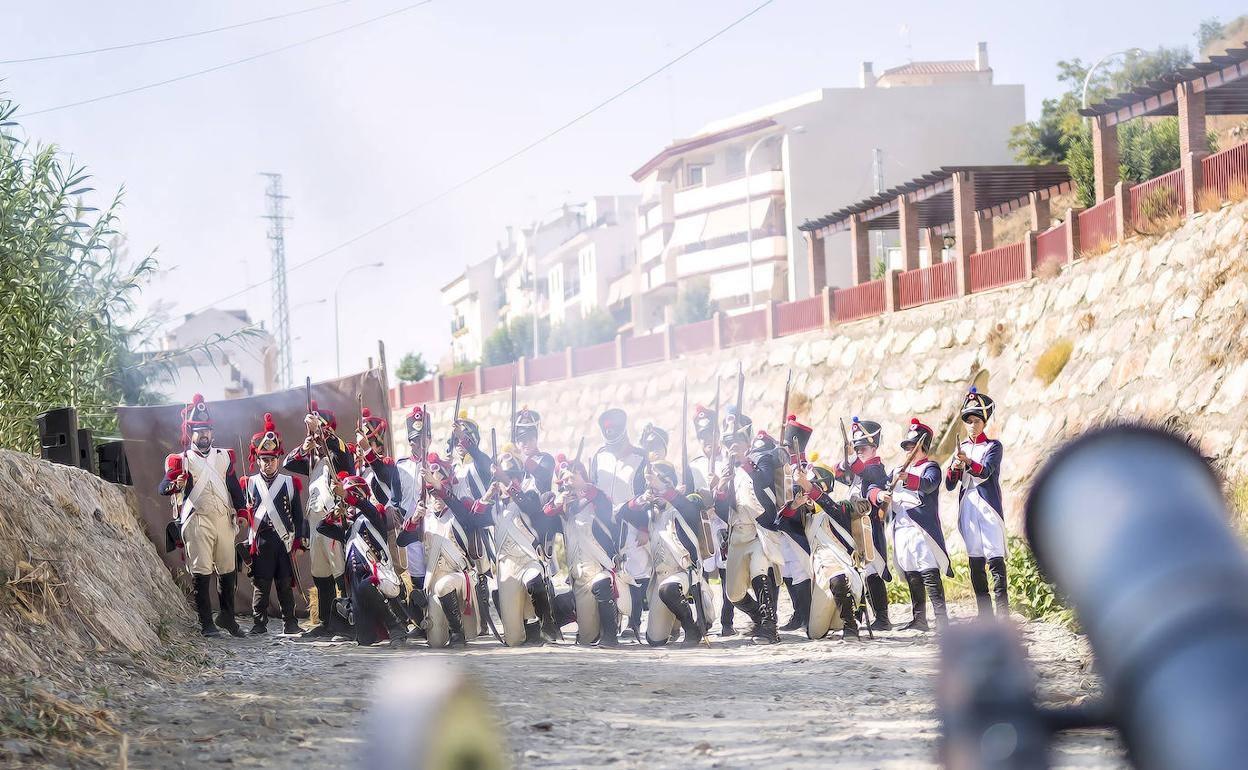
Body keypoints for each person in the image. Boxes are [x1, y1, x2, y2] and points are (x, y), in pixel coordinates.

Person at [158, 394, 249, 638]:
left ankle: (227, 618)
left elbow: (234, 487)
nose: (204, 435)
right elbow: (164, 487)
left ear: (213, 433)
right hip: (197, 521)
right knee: (201, 572)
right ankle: (206, 623)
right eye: (199, 431)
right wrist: (175, 484)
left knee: (228, 569)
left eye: (207, 430)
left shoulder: (224, 456)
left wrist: (241, 512)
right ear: (192, 434)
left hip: (223, 519)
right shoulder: (181, 460)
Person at [283, 400, 356, 638]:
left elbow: (346, 460)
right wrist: (305, 446)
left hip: (334, 519)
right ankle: (326, 622)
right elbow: (288, 462)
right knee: (320, 571)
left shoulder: (341, 453)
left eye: (321, 430)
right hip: (315, 522)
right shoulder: (313, 459)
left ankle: (347, 623)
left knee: (339, 571)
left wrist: (321, 432)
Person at [469, 452, 559, 646]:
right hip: (506, 566)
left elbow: (531, 507)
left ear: (518, 479)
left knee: (533, 579)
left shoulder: (530, 496)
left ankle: (547, 624)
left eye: (511, 477)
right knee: (513, 639)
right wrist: (487, 496)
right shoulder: (494, 508)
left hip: (528, 559)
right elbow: (473, 520)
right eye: (503, 477)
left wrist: (505, 480)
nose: (507, 481)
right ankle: (528, 630)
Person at [712, 408, 785, 644]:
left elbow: (764, 481)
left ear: (746, 442)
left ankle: (769, 627)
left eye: (737, 441)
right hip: (738, 534)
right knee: (733, 593)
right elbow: (724, 513)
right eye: (729, 443)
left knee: (759, 571)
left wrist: (744, 462)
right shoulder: (726, 469)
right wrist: (721, 491)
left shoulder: (760, 458)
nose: (732, 446)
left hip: (759, 531)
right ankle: (757, 616)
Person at [619, 461, 710, 647]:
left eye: (658, 483)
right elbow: (624, 512)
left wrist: (665, 491)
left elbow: (690, 510)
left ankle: (691, 628)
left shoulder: (686, 502)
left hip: (683, 572)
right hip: (661, 579)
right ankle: (675, 622)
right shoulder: (650, 510)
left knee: (669, 589)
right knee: (655, 640)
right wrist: (643, 498)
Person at [874, 418, 952, 633]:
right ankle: (919, 619)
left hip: (920, 529)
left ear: (922, 447)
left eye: (913, 447)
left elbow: (929, 485)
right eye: (907, 447)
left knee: (929, 571)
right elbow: (881, 489)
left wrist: (907, 478)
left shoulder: (931, 467)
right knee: (911, 573)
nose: (909, 450)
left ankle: (941, 619)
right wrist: (883, 494)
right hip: (901, 527)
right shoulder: (896, 470)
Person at [398, 453, 484, 648]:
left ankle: (458, 633)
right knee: (435, 642)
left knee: (444, 584)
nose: (435, 497)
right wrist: (413, 521)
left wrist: (437, 485)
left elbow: (458, 506)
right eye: (431, 492)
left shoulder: (459, 512)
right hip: (434, 584)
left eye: (437, 491)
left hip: (459, 578)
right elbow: (402, 541)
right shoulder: (425, 519)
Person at [543, 456, 630, 646]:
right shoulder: (564, 507)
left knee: (602, 582)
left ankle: (611, 635)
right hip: (579, 577)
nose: (567, 483)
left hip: (600, 569)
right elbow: (546, 513)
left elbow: (604, 505)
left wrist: (583, 489)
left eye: (570, 478)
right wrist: (560, 501)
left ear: (582, 475)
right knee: (586, 638)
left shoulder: (597, 498)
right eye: (564, 481)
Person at [316, 473, 410, 647]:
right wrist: (335, 514)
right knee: (365, 640)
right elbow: (321, 527)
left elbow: (366, 507)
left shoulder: (374, 516)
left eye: (352, 495)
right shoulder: (349, 528)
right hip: (356, 586)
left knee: (367, 585)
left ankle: (396, 625)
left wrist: (346, 495)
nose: (348, 503)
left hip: (376, 578)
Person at [783, 461, 863, 641]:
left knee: (838, 578)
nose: (807, 494)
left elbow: (826, 504)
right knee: (815, 632)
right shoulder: (806, 516)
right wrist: (795, 505)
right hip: (819, 571)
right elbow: (781, 520)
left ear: (824, 486)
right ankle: (839, 621)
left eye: (810, 489)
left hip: (841, 564)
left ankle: (850, 626)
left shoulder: (842, 506)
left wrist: (807, 485)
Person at [946, 388, 1009, 619]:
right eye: (968, 421)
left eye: (976, 420)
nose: (972, 425)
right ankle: (985, 615)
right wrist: (954, 467)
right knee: (975, 559)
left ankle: (1003, 615)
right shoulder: (959, 448)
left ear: (984, 422)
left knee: (995, 557)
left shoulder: (993, 446)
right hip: (968, 507)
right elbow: (950, 484)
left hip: (988, 506)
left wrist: (967, 462)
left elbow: (985, 472)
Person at [241, 413, 305, 636]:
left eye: (272, 459)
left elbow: (298, 515)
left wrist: (300, 539)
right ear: (257, 460)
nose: (268, 464)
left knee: (285, 584)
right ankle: (259, 623)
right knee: (261, 584)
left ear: (278, 458)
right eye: (264, 459)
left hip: (283, 540)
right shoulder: (249, 483)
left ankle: (291, 622)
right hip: (261, 540)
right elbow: (243, 513)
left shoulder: (289, 483)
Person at [590, 408, 649, 641]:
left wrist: (644, 528)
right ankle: (612, 618)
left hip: (633, 520)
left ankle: (633, 622)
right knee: (609, 569)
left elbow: (646, 494)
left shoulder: (640, 457)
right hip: (605, 522)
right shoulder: (599, 456)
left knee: (636, 569)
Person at [833, 417, 893, 631]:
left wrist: (851, 459)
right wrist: (846, 458)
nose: (859, 451)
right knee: (858, 572)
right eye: (856, 448)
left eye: (863, 448)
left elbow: (872, 490)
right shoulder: (858, 470)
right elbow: (837, 472)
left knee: (872, 572)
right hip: (854, 526)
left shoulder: (875, 468)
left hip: (870, 527)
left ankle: (883, 618)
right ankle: (860, 616)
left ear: (874, 448)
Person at [687, 404, 733, 636]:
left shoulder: (729, 460)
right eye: (702, 437)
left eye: (710, 435)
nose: (707, 441)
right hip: (703, 525)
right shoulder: (693, 465)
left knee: (727, 573)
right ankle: (703, 617)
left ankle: (728, 621)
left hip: (724, 521)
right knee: (702, 574)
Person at [356, 407, 405, 577]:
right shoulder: (358, 470)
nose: (363, 449)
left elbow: (381, 472)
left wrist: (368, 452)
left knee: (395, 571)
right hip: (367, 529)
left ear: (378, 445)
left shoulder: (387, 464)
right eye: (362, 445)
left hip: (387, 525)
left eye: (369, 444)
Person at [396, 406, 432, 631]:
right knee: (417, 574)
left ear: (428, 439)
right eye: (413, 440)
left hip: (433, 527)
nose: (416, 444)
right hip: (410, 528)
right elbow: (395, 499)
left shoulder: (437, 464)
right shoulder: (401, 467)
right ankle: (419, 621)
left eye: (421, 439)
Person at [777, 415, 814, 633]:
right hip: (782, 524)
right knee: (788, 572)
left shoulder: (807, 468)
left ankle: (808, 615)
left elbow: (813, 491)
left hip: (799, 526)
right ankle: (798, 613)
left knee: (801, 571)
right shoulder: (780, 468)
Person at [514, 408, 556, 495]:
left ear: (536, 439)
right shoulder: (516, 463)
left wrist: (521, 456)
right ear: (517, 442)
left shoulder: (546, 459)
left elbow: (543, 475)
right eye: (523, 440)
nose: (527, 443)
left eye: (530, 439)